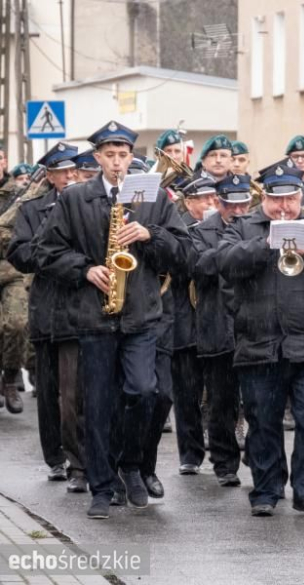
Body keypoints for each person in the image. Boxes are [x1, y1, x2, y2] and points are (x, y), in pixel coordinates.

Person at [36, 120, 190, 520]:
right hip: (93, 316)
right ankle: (102, 488)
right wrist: (85, 269)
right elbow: (45, 252)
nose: (118, 163)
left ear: (131, 157)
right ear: (97, 158)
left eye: (124, 155)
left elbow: (184, 251)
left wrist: (150, 234)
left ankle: (133, 465)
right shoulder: (74, 199)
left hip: (140, 313)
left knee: (143, 392)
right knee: (99, 404)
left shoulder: (153, 198)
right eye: (110, 155)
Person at [218, 159, 304, 518]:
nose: (284, 208)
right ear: (263, 197)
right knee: (263, 420)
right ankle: (267, 490)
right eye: (276, 200)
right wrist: (266, 243)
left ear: (301, 196)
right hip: (259, 343)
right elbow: (223, 262)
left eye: (291, 200)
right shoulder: (242, 226)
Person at [6, 143, 87, 490]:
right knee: (49, 387)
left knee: (72, 393)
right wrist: (49, 252)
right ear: (50, 175)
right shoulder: (32, 208)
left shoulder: (87, 205)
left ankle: (77, 462)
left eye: (74, 171)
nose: (70, 177)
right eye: (63, 172)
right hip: (45, 306)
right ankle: (54, 456)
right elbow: (19, 253)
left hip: (78, 308)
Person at [191, 174, 252, 488]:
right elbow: (199, 267)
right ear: (219, 202)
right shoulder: (202, 232)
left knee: (257, 400)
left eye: (244, 204)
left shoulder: (258, 226)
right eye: (231, 205)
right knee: (221, 401)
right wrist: (236, 250)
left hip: (253, 327)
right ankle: (225, 463)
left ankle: (258, 455)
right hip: (217, 325)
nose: (238, 211)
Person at [171, 177, 215, 475]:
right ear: (188, 202)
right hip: (185, 319)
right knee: (186, 393)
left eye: (214, 198)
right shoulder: (179, 228)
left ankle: (222, 450)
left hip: (214, 319)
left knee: (219, 393)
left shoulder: (224, 228)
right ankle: (190, 453)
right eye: (204, 199)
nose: (211, 204)